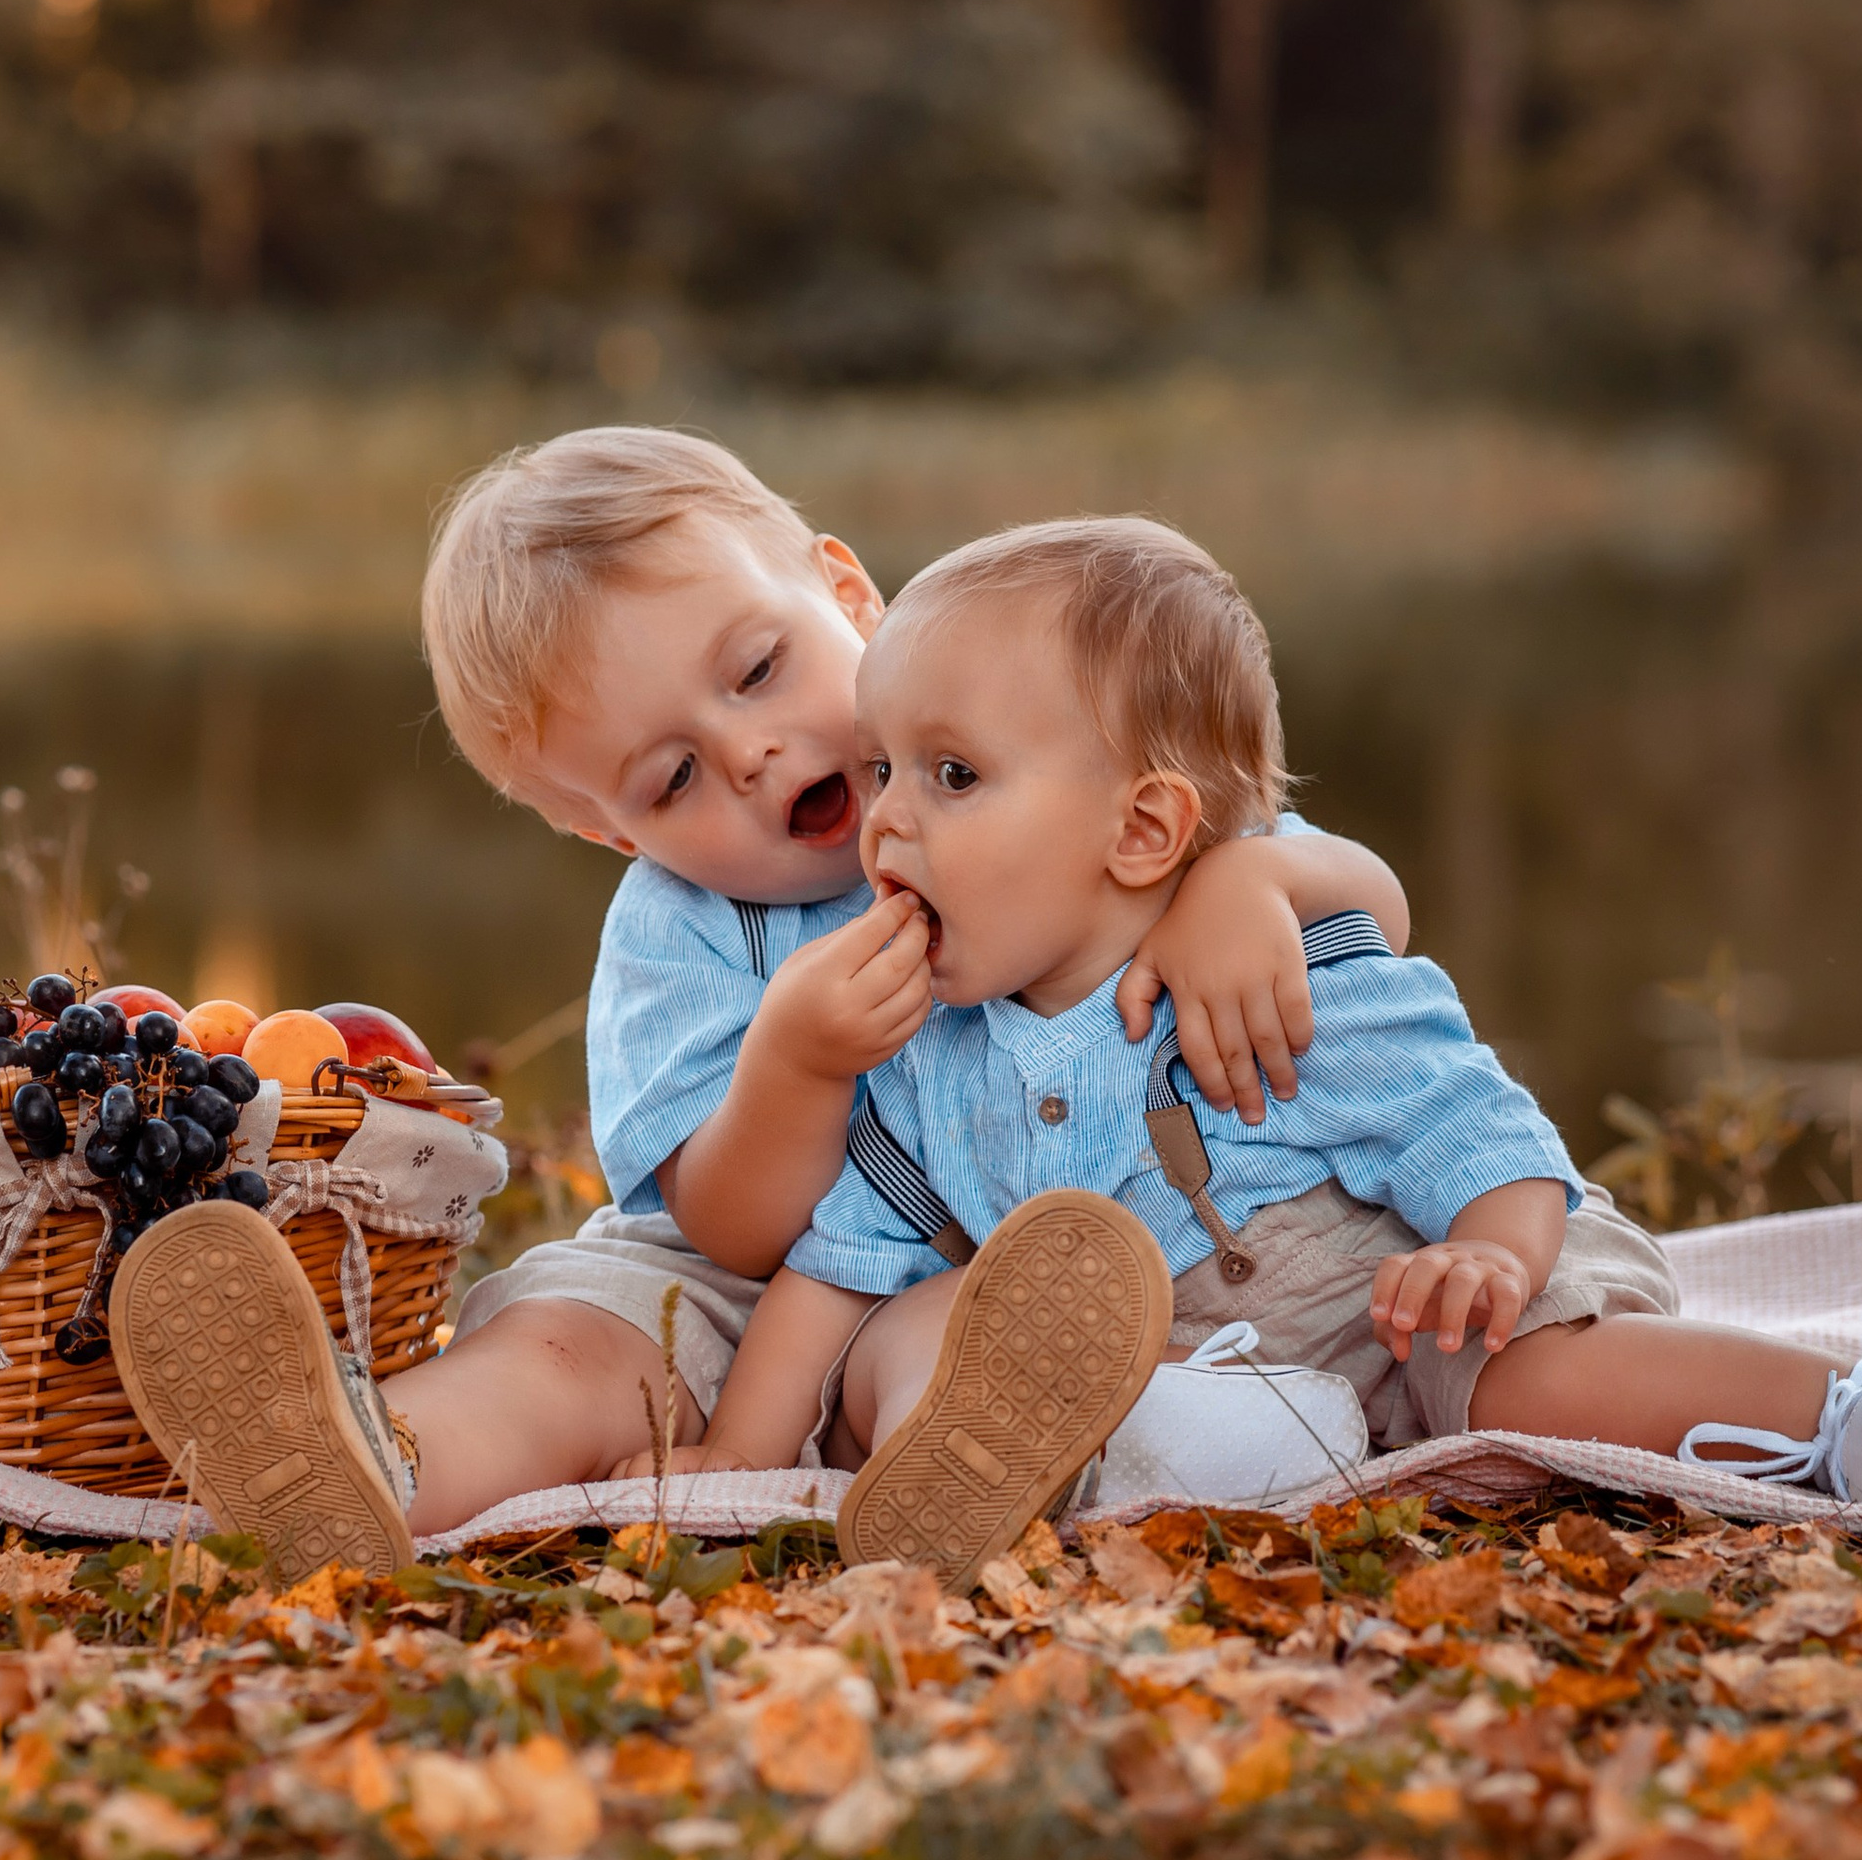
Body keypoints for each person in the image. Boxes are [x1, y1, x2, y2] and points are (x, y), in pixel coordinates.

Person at [106, 435, 1407, 1577]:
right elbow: (725, 1229)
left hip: (1001, 1256)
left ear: (846, 594)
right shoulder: (686, 931)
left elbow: (1376, 927)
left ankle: (956, 1470)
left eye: (760, 669)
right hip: (747, 1284)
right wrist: (797, 1061)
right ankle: (366, 1462)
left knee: (981, 1333)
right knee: (572, 1344)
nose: (749, 753)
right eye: (672, 780)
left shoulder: (1032, 733)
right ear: (609, 835)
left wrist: (1255, 873)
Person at [740, 515, 1859, 1587]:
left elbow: (1481, 1131)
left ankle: (1827, 1411)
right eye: (879, 766)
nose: (881, 822)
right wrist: (730, 1458)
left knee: (1531, 1389)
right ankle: (1216, 1453)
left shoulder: (1274, 974)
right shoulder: (922, 1051)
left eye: (951, 776)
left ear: (1140, 831)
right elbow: (838, 1261)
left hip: (1450, 1290)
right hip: (1241, 1374)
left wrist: (1491, 1255)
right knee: (955, 1336)